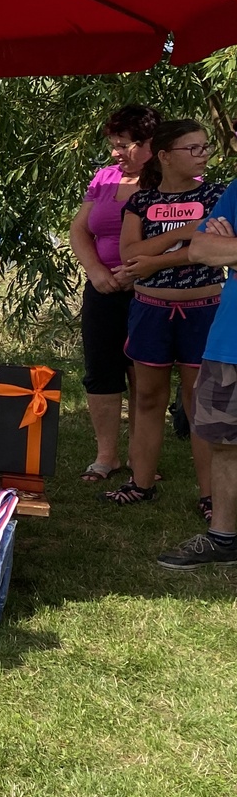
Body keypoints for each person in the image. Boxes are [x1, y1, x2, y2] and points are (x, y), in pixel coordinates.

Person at [107, 119, 226, 518]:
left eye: (205, 147)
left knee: (199, 403)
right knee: (147, 397)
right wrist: (186, 231)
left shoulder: (216, 195)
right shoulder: (141, 201)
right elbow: (129, 254)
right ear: (164, 156)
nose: (202, 155)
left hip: (203, 310)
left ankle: (210, 496)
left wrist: (155, 260)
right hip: (150, 310)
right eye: (193, 148)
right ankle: (140, 483)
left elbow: (211, 249)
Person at [68, 105, 160, 482]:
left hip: (152, 290)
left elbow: (182, 236)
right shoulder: (104, 178)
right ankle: (106, 456)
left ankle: (142, 457)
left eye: (123, 145)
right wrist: (96, 271)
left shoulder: (171, 179)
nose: (115, 152)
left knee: (144, 375)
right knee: (101, 370)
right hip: (102, 289)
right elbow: (79, 229)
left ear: (150, 144)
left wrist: (137, 272)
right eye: (114, 144)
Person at [171, 211, 237, 568]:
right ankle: (223, 538)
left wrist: (230, 249)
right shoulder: (236, 191)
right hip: (229, 341)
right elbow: (199, 250)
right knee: (224, 443)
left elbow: (217, 252)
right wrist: (218, 249)